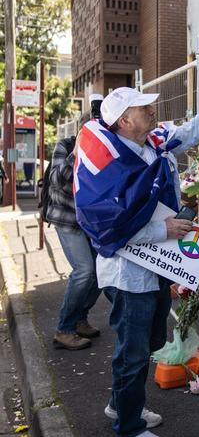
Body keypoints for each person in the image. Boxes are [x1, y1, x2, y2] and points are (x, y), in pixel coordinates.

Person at [74, 81, 199, 437]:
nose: (153, 112)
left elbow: (190, 131)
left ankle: (121, 404)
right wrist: (163, 230)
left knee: (147, 342)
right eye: (144, 109)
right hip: (128, 274)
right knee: (133, 350)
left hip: (152, 267)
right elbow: (108, 225)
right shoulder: (109, 166)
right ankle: (128, 431)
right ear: (124, 121)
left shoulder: (149, 142)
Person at [49, 112, 104, 350]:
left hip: (90, 222)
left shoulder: (104, 150)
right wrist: (79, 149)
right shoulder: (66, 146)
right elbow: (59, 178)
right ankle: (64, 329)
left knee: (100, 274)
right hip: (68, 219)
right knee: (84, 271)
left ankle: (79, 319)